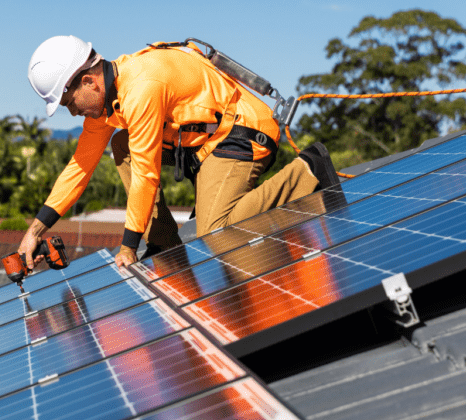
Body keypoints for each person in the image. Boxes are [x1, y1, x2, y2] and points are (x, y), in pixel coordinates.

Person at [17, 35, 339, 269]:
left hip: (241, 134)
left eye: (70, 103)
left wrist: (129, 246)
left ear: (89, 81)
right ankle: (163, 243)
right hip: (203, 147)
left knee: (216, 231)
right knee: (121, 144)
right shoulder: (107, 105)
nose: (72, 113)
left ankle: (307, 170)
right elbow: (80, 166)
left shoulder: (142, 86)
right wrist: (35, 231)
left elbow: (146, 172)